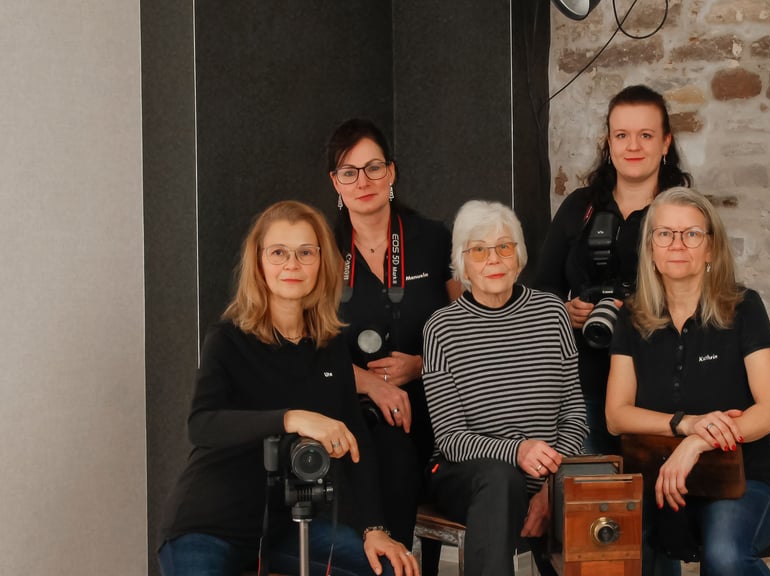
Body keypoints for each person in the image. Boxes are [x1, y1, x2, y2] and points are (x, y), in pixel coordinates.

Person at [158, 201, 417, 576]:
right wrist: (293, 419)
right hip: (207, 527)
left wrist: (374, 529)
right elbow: (202, 425)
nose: (292, 265)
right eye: (278, 252)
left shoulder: (330, 348)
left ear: (321, 262)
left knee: (390, 569)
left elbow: (356, 440)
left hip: (286, 527)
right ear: (259, 263)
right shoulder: (227, 340)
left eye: (305, 252)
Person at [605, 187, 770, 576]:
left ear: (710, 248)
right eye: (665, 234)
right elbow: (616, 416)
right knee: (599, 547)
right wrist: (683, 423)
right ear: (651, 249)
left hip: (742, 480)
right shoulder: (632, 317)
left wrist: (697, 442)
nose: (677, 244)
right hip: (658, 479)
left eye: (691, 234)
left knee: (724, 555)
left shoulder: (743, 307)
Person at [421, 200, 589, 576]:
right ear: (462, 264)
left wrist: (551, 483)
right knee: (501, 479)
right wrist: (517, 451)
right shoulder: (441, 329)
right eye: (478, 250)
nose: (493, 259)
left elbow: (575, 413)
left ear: (519, 255)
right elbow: (450, 438)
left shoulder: (552, 314)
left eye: (504, 246)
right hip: (465, 475)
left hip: (547, 472)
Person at [533, 84, 693, 456]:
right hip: (583, 384)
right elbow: (542, 291)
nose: (632, 146)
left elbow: (704, 296)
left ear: (666, 143)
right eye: (622, 135)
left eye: (646, 135)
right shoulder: (580, 207)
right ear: (609, 142)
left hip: (659, 384)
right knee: (592, 499)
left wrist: (640, 312)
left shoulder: (683, 212)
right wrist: (565, 311)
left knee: (656, 501)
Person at [326, 119, 461, 549]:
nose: (362, 181)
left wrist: (422, 365)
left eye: (374, 168)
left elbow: (467, 330)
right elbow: (306, 351)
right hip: (358, 410)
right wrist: (372, 385)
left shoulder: (435, 239)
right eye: (349, 172)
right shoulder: (321, 250)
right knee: (388, 448)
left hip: (439, 402)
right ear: (336, 183)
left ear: (392, 173)